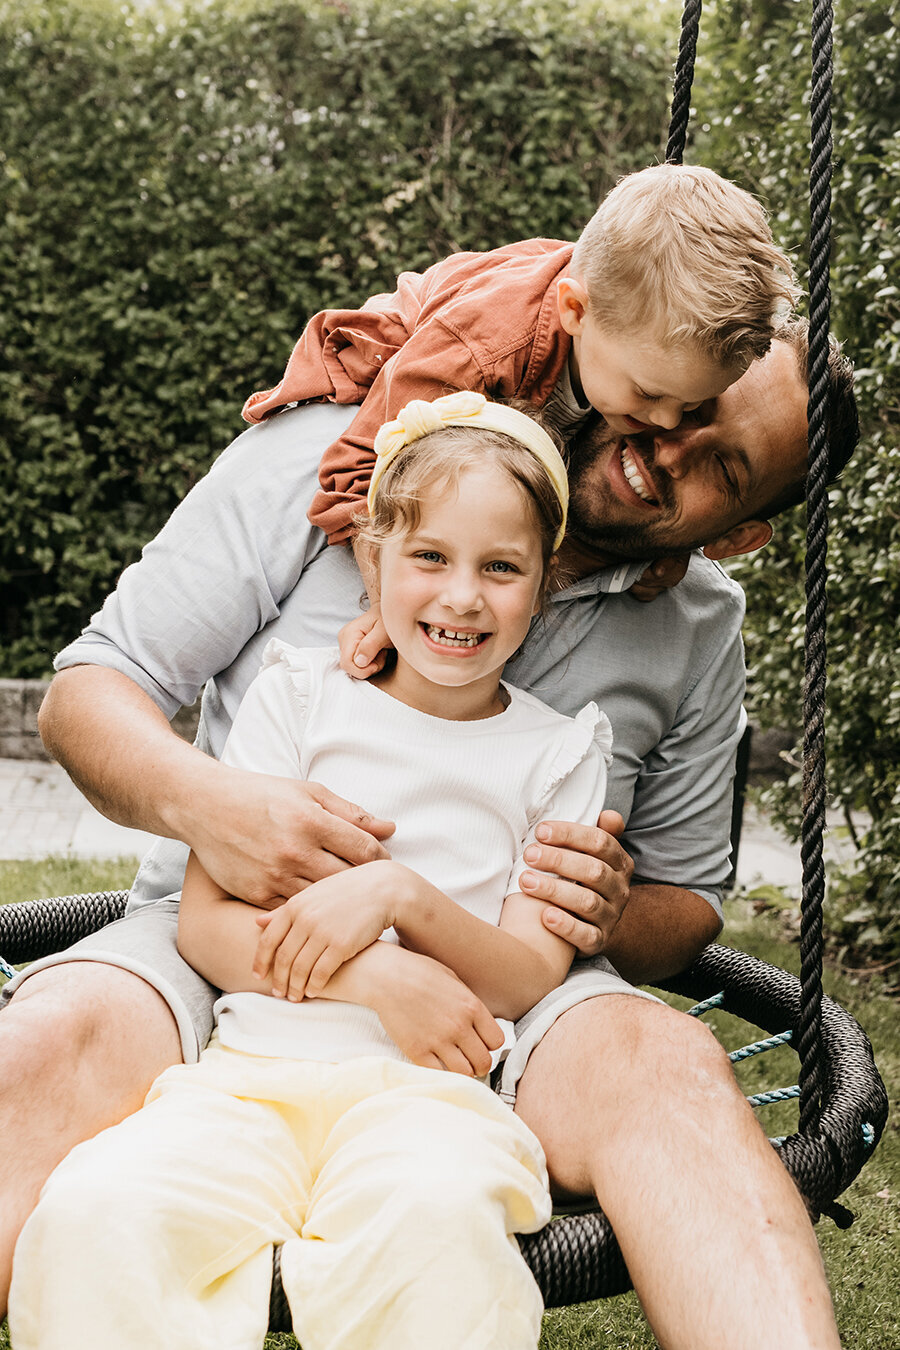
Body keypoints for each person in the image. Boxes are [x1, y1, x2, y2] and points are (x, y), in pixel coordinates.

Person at [1, 319, 857, 1349]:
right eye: (690, 402)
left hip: (510, 986)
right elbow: (88, 693)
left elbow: (680, 916)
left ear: (738, 533)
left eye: (721, 464)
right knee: (42, 1050)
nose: (663, 446)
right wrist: (212, 805)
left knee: (670, 1069)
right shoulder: (343, 449)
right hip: (225, 929)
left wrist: (610, 907)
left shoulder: (696, 628)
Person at [10, 396, 622, 1350]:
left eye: (501, 568)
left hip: (432, 1094)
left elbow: (528, 973)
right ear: (373, 559)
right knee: (105, 1212)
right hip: (249, 1079)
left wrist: (398, 896)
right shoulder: (300, 699)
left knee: (435, 1226)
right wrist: (374, 974)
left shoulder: (557, 752)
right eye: (430, 557)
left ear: (542, 586)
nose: (463, 596)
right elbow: (207, 930)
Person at [242, 163, 799, 546]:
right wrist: (386, 588)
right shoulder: (481, 354)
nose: (666, 424)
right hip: (370, 383)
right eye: (652, 394)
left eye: (693, 404)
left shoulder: (622, 328)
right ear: (575, 312)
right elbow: (357, 474)